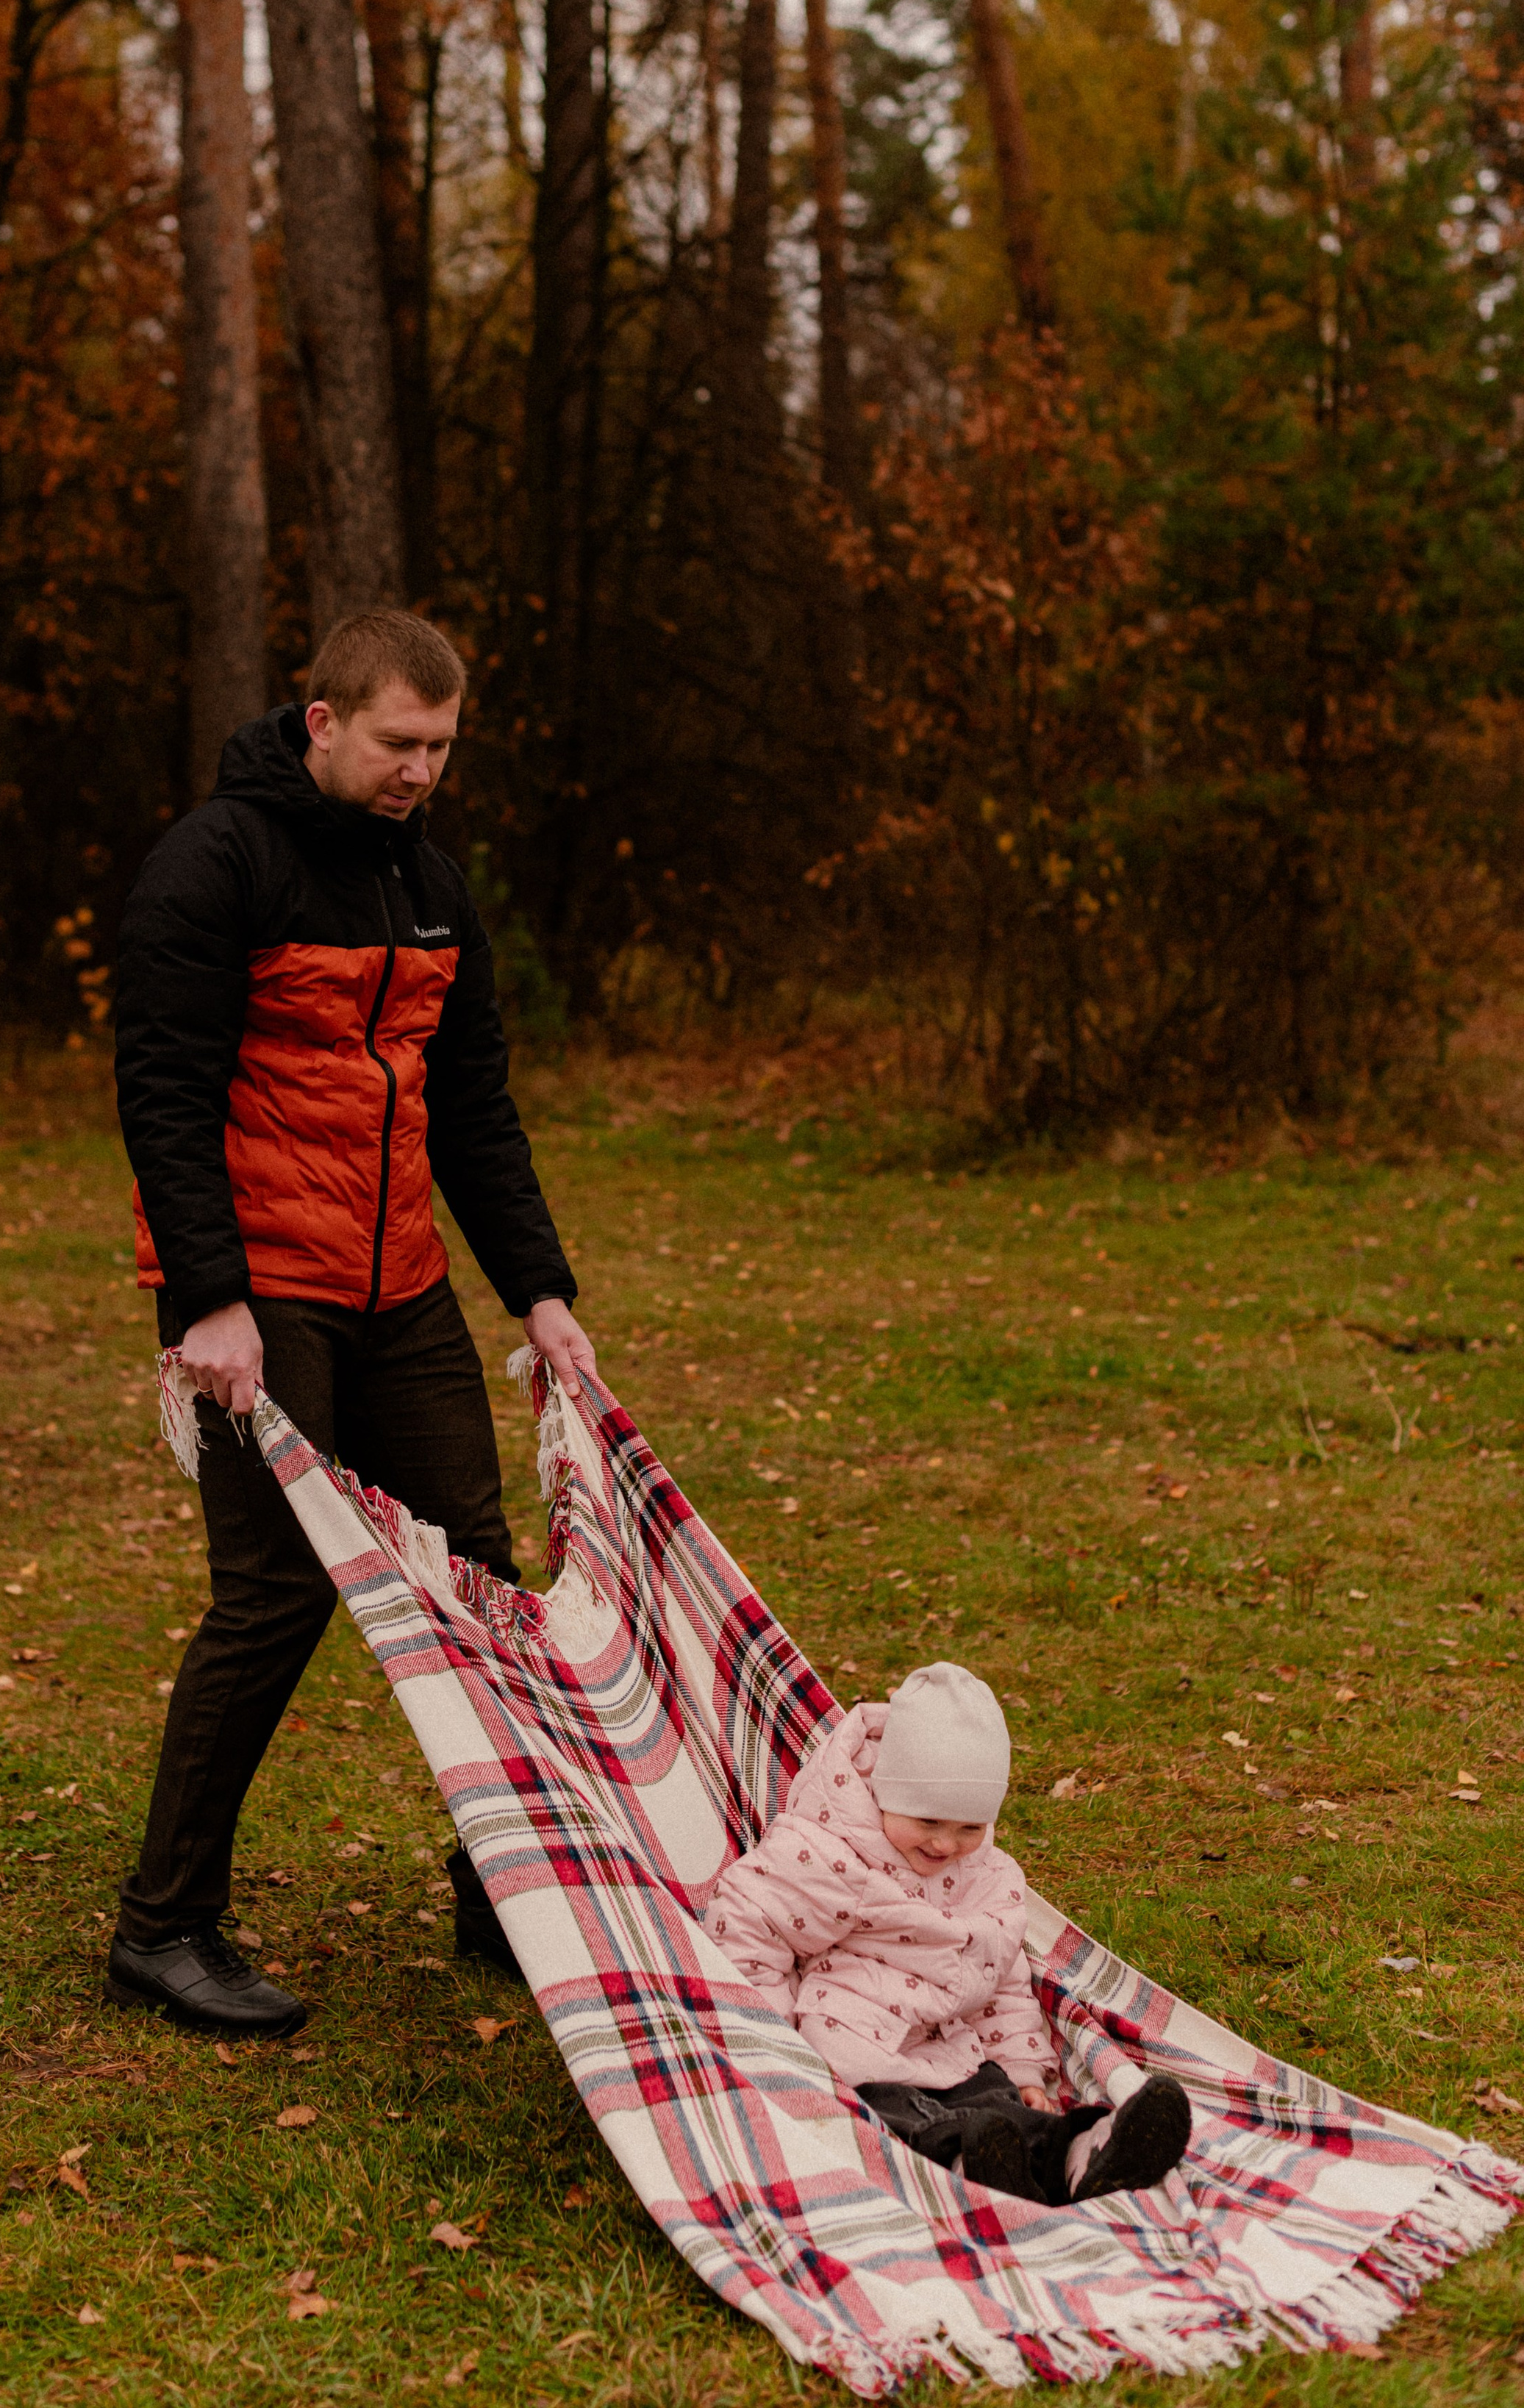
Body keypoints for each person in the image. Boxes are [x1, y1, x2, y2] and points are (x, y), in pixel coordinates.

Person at [107, 610, 595, 2035]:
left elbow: (474, 1110)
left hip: (399, 1285)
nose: (420, 772)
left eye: (440, 747)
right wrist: (205, 1302)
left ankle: (505, 1896)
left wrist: (540, 1292)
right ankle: (163, 1928)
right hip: (258, 1296)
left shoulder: (428, 884)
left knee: (482, 1582)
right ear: (320, 721)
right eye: (398, 743)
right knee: (275, 1599)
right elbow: (163, 1095)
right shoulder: (212, 867)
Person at [706, 1663, 1191, 2206]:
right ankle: (967, 2168)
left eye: (969, 1827)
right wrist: (776, 2036)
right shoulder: (831, 1853)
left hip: (956, 2046)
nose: (945, 1844)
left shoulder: (988, 1876)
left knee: (1003, 2104)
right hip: (857, 2044)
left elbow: (1003, 1976)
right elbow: (747, 1920)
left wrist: (1023, 2064)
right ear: (886, 1792)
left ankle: (1084, 2152)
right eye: (929, 1820)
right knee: (899, 2120)